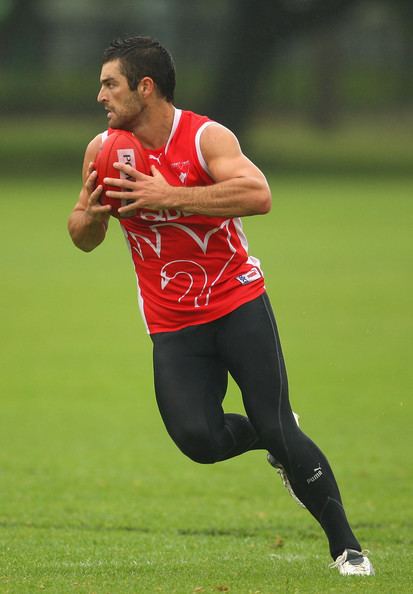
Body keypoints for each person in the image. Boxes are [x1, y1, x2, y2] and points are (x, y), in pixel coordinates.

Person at [68, 35, 374, 576]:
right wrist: (91, 217)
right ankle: (272, 436)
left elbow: (259, 195)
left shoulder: (206, 136)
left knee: (278, 423)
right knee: (198, 441)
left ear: (146, 87)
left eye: (109, 83)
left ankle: (348, 549)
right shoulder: (104, 149)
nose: (100, 96)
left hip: (237, 302)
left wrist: (172, 196)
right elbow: (81, 234)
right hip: (171, 323)